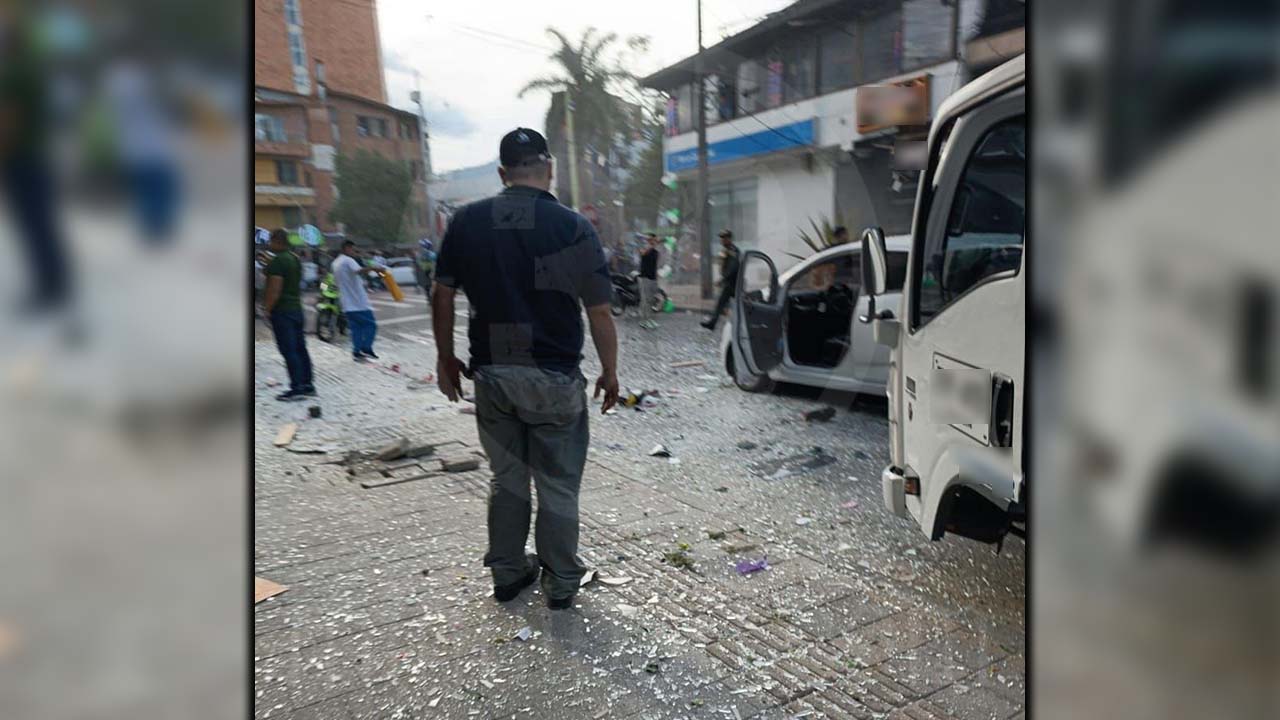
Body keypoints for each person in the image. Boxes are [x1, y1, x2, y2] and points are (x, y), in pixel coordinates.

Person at [432, 127, 619, 611]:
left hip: (493, 373)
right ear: (550, 171)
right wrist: (610, 371)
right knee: (557, 483)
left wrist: (444, 357)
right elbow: (599, 311)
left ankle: (509, 573)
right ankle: (560, 582)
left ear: (502, 174)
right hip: (554, 374)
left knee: (508, 478)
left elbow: (443, 292)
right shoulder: (574, 227)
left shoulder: (467, 221)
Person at [262, 229, 315, 401]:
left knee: (288, 350)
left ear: (277, 241)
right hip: (296, 309)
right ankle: (307, 385)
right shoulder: (293, 258)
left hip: (282, 311)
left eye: (271, 240)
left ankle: (297, 388)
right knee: (300, 348)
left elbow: (275, 289)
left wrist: (267, 309)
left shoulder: (278, 262)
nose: (269, 244)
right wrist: (269, 265)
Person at [331, 240, 383, 361]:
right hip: (358, 303)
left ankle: (356, 351)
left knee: (356, 328)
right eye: (354, 250)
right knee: (371, 325)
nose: (355, 252)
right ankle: (366, 347)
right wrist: (374, 268)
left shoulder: (335, 263)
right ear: (347, 248)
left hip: (346, 303)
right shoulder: (348, 260)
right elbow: (358, 270)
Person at [701, 229, 741, 330]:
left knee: (722, 303)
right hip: (731, 283)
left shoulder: (732, 250)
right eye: (721, 238)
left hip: (732, 283)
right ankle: (713, 323)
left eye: (724, 238)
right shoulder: (727, 250)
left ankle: (713, 323)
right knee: (724, 304)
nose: (722, 240)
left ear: (729, 239)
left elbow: (733, 267)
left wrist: (723, 279)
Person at [638, 232, 661, 330]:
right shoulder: (645, 249)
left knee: (651, 300)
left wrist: (657, 278)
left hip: (653, 278)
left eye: (655, 240)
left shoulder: (655, 252)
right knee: (645, 300)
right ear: (649, 240)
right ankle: (644, 320)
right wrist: (649, 245)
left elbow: (656, 266)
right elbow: (642, 253)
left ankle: (650, 319)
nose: (654, 242)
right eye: (652, 240)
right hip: (645, 278)